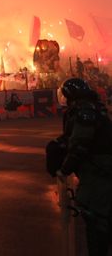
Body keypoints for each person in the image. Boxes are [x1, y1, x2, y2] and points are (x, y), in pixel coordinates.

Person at [56, 78, 112, 256]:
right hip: (100, 168)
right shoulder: (92, 107)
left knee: (96, 218)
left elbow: (80, 145)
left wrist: (64, 169)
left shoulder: (84, 111)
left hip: (99, 171)